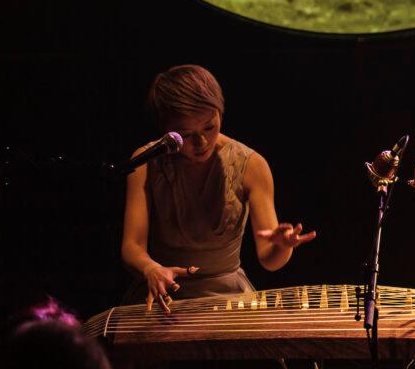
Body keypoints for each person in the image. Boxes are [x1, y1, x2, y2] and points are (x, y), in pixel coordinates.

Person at [121, 65, 316, 313]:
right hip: (164, 290)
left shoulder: (251, 165)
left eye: (209, 127)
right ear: (166, 129)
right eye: (184, 134)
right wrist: (150, 268)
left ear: (220, 114)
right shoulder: (145, 163)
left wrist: (282, 245)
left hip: (227, 295)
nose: (200, 142)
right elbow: (131, 246)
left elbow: (269, 259)